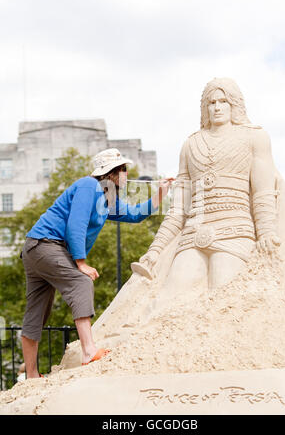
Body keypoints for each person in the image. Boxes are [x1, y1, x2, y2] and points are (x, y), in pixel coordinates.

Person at [20, 148, 174, 378]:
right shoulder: (89, 186)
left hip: (35, 249)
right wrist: (80, 263)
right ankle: (89, 351)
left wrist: (161, 193)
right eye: (122, 169)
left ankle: (31, 375)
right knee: (81, 282)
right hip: (46, 245)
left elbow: (135, 214)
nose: (126, 173)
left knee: (38, 312)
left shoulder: (107, 198)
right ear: (110, 173)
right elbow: (76, 224)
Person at [138, 77, 281, 307]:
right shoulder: (190, 145)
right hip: (194, 235)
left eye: (223, 101)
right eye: (211, 102)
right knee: (166, 300)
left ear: (234, 104)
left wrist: (265, 233)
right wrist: (155, 250)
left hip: (235, 230)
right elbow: (177, 211)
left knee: (224, 297)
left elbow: (263, 193)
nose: (217, 107)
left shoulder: (255, 137)